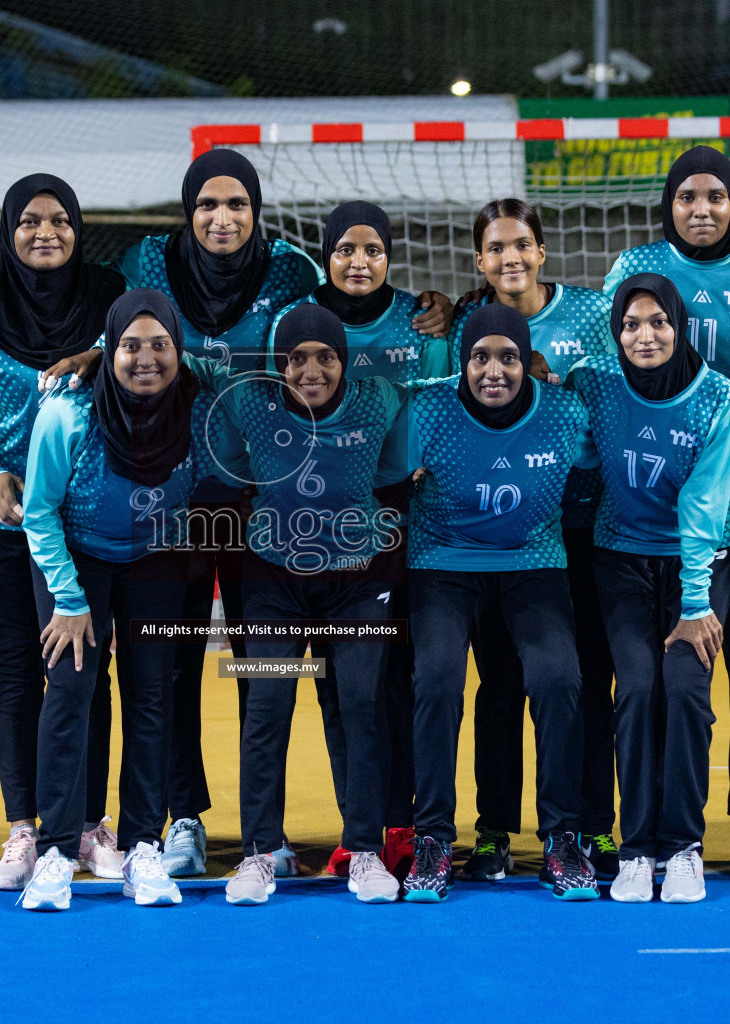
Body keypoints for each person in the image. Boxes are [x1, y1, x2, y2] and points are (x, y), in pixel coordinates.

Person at [0, 174, 129, 891]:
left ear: (79, 228)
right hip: (1, 521)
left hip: (89, 517)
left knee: (85, 668)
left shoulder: (110, 300)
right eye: (29, 222)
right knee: (17, 668)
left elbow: (154, 346)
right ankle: (24, 825)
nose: (45, 233)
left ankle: (88, 824)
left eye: (60, 220)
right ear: (7, 231)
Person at [18, 289, 241, 911]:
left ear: (180, 350)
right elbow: (39, 510)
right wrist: (68, 599)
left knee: (152, 695)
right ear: (107, 352)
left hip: (155, 560)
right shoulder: (69, 414)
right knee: (69, 691)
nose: (146, 358)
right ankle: (57, 850)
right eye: (128, 346)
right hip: (77, 560)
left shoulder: (202, 413)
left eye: (160, 345)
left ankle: (144, 845)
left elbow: (237, 382)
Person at [602, 148, 730, 874]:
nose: (701, 209)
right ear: (669, 203)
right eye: (687, 196)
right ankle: (628, 830)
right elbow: (598, 357)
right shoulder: (635, 266)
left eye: (715, 196)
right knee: (649, 678)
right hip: (648, 506)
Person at [189, 303, 408, 906]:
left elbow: (444, 388)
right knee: (268, 703)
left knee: (360, 703)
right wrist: (98, 353)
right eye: (296, 359)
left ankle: (364, 849)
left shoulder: (381, 398)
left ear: (344, 360)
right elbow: (187, 362)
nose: (311, 370)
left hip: (357, 581)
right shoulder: (249, 400)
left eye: (326, 357)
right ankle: (261, 853)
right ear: (279, 364)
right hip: (273, 582)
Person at [276, 200, 453, 881]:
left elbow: (444, 404)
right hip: (323, 516)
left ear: (389, 256)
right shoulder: (296, 319)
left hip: (405, 514)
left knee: (400, 677)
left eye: (372, 249)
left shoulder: (422, 320)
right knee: (338, 683)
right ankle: (358, 828)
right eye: (345, 249)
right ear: (326, 255)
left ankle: (405, 825)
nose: (358, 261)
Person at [403, 302, 599, 902]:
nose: (495, 370)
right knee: (437, 681)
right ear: (462, 362)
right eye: (480, 357)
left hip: (532, 562)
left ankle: (562, 838)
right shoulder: (427, 408)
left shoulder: (565, 412)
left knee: (560, 679)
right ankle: (433, 837)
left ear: (528, 363)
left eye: (509, 357)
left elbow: (600, 462)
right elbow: (381, 467)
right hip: (444, 560)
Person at [453, 199, 620, 882]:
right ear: (480, 260)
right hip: (509, 534)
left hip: (588, 528)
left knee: (584, 679)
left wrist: (561, 389)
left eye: (521, 245)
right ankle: (494, 830)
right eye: (495, 248)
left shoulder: (588, 314)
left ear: (542, 251)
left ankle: (592, 825)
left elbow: (614, 399)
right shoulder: (467, 323)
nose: (510, 258)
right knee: (501, 682)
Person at [568, 273, 730, 905]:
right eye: (631, 325)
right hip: (620, 557)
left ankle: (684, 848)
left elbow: (702, 506)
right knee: (637, 689)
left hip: (700, 562)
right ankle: (637, 849)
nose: (645, 336)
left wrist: (695, 605)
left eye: (659, 322)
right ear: (617, 332)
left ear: (680, 326)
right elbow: (577, 449)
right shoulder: (597, 384)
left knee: (686, 689)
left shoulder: (718, 397)